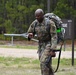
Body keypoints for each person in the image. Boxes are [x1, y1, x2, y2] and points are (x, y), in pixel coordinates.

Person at [27, 8, 57, 75]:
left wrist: (53, 49)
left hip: (49, 44)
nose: (37, 18)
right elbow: (30, 32)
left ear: (42, 15)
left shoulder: (50, 23)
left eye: (38, 16)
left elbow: (54, 36)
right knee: (46, 63)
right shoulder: (35, 23)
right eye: (36, 16)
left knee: (43, 62)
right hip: (40, 45)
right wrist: (30, 35)